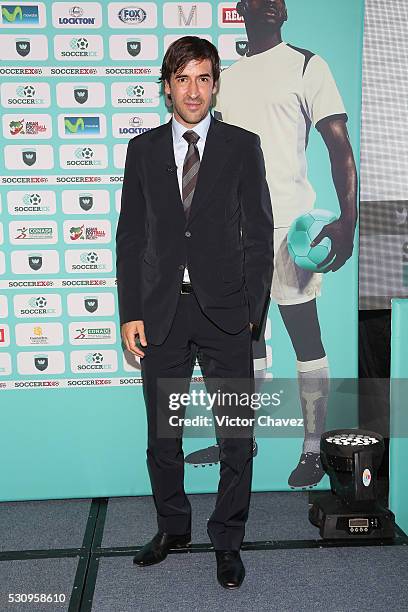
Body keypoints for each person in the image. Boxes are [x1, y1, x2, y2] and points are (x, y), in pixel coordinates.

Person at [116, 36, 273, 589]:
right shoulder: (143, 149)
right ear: (166, 87)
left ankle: (227, 539)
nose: (193, 90)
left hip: (227, 315)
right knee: (164, 436)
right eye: (182, 79)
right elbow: (131, 236)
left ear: (215, 84)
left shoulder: (241, 146)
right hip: (161, 315)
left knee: (234, 436)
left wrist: (253, 311)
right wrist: (130, 311)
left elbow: (258, 231)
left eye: (204, 78)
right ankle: (173, 528)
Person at [185, 0, 358, 489]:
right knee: (245, 343)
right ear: (241, 8)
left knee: (306, 338)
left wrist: (348, 219)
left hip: (290, 229)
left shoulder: (306, 64)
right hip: (236, 236)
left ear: (284, 11)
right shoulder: (229, 81)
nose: (271, 3)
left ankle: (312, 449)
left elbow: (338, 144)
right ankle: (238, 441)